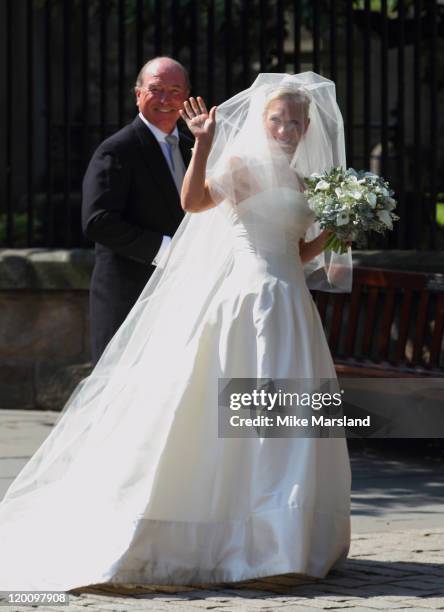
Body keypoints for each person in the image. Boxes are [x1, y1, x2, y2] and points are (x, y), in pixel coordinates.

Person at [0, 72, 352, 590]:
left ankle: (287, 538)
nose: (287, 129)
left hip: (291, 304)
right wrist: (204, 144)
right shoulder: (240, 165)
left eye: (296, 123)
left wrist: (333, 233)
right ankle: (240, 539)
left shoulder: (301, 181)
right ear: (262, 120)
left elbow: (295, 254)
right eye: (278, 119)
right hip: (249, 299)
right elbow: (193, 204)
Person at [82, 56, 193, 363]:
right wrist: (167, 249)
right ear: (138, 94)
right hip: (128, 296)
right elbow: (98, 221)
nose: (165, 100)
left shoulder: (192, 145)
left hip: (180, 297)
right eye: (156, 89)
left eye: (175, 91)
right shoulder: (117, 149)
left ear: (186, 97)